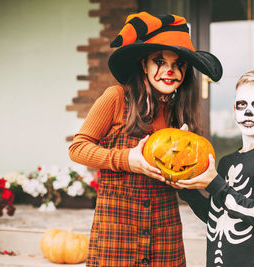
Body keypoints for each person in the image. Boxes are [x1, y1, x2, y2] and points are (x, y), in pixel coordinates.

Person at [68, 12, 222, 266]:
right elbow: (78, 148)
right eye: (159, 61)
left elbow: (180, 173)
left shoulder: (180, 116)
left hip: (165, 231)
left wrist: (201, 186)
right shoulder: (116, 98)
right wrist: (127, 159)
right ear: (144, 65)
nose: (169, 71)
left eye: (178, 64)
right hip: (117, 232)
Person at [176, 70, 254, 267]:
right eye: (242, 105)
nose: (248, 112)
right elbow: (215, 215)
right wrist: (185, 188)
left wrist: (215, 184)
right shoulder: (226, 162)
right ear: (235, 111)